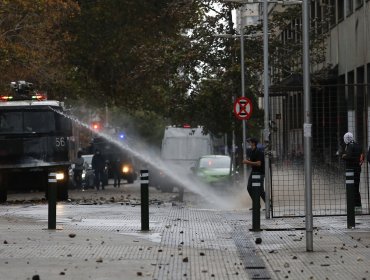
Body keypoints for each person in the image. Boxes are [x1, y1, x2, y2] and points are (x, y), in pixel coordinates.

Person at [341, 132, 363, 211]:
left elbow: (348, 156)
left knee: (351, 188)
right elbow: (361, 157)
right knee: (356, 188)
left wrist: (343, 156)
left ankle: (352, 206)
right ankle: (358, 205)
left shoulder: (350, 146)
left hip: (351, 170)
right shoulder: (358, 145)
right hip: (358, 169)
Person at [243, 137, 265, 208]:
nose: (249, 143)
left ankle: (268, 204)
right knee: (249, 188)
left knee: (260, 190)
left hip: (260, 172)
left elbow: (259, 163)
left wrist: (248, 162)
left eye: (250, 142)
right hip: (254, 172)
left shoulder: (258, 152)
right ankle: (256, 204)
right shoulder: (251, 151)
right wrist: (248, 161)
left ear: (253, 143)